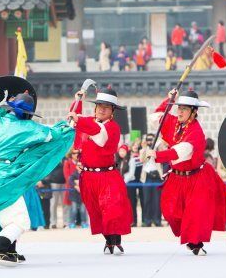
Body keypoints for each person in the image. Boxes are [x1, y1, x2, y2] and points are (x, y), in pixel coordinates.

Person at [0, 84, 74, 266]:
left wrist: (10, 100)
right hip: (7, 178)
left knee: (3, 216)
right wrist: (69, 125)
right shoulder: (27, 128)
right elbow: (52, 135)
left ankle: (9, 249)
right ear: (29, 114)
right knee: (20, 219)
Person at [147, 89, 226, 256]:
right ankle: (190, 236)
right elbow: (157, 115)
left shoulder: (196, 133)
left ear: (194, 112)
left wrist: (157, 155)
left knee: (196, 213)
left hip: (197, 178)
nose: (180, 111)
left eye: (185, 109)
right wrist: (168, 100)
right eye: (179, 108)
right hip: (177, 177)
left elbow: (180, 152)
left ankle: (196, 243)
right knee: (170, 211)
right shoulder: (173, 122)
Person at [67, 86, 132, 254]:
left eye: (107, 107)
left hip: (107, 175)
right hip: (88, 176)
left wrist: (79, 119)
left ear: (112, 112)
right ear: (95, 108)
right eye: (99, 105)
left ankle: (115, 238)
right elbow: (76, 121)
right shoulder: (89, 122)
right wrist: (77, 101)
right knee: (96, 212)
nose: (102, 109)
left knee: (111, 209)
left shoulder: (112, 128)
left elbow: (99, 135)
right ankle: (108, 240)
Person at [139, 134, 163, 227]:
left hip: (157, 176)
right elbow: (142, 160)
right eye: (148, 140)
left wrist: (156, 148)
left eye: (151, 139)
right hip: (147, 177)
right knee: (147, 200)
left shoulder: (157, 149)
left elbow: (160, 158)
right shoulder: (143, 150)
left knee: (157, 200)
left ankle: (157, 220)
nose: (149, 141)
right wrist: (145, 148)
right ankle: (147, 220)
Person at [48, 159, 68, 228]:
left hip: (64, 183)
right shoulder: (54, 157)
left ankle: (65, 222)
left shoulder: (65, 158)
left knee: (65, 203)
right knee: (54, 203)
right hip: (54, 182)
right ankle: (53, 222)